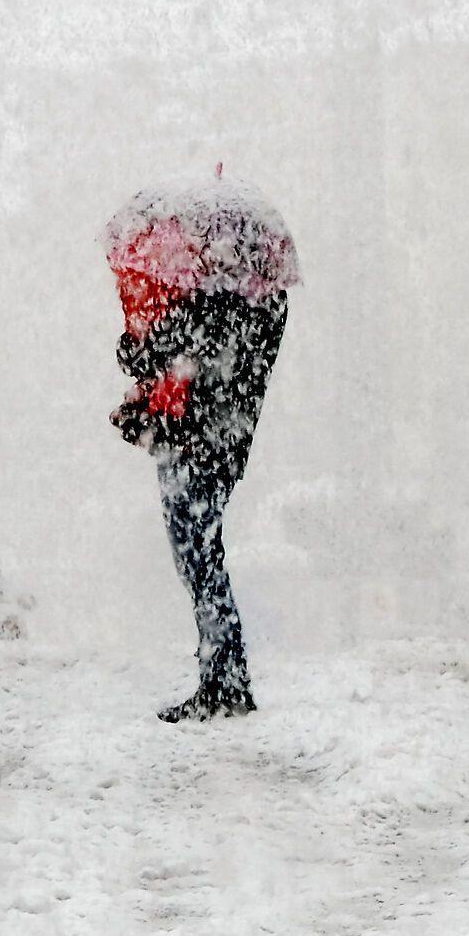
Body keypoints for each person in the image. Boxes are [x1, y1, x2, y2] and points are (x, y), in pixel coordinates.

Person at [111, 270, 289, 723]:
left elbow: (185, 355)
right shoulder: (259, 302)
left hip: (196, 447)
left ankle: (224, 683)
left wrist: (144, 345)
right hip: (213, 445)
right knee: (200, 562)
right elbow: (175, 355)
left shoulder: (226, 302)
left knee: (199, 563)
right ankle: (223, 676)